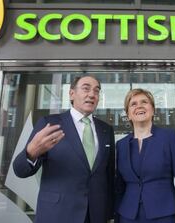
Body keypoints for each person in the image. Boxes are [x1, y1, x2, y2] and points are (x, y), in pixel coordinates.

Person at [13, 76, 115, 223]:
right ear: (71, 93)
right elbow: (20, 171)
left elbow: (108, 174)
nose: (92, 94)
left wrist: (109, 213)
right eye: (86, 88)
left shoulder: (106, 130)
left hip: (96, 214)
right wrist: (31, 152)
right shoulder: (50, 123)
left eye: (96, 91)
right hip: (58, 213)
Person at [115, 88, 175, 223]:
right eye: (133, 104)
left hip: (164, 215)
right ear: (128, 114)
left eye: (144, 102)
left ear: (153, 110)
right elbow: (119, 187)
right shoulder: (120, 145)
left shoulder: (170, 138)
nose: (139, 105)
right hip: (128, 217)